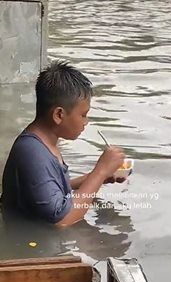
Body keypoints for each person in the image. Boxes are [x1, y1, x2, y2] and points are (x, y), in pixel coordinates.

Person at [1, 61, 126, 227]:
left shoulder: (44, 144)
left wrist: (96, 178)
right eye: (83, 115)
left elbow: (51, 189)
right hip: (35, 247)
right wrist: (100, 171)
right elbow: (62, 220)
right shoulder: (31, 152)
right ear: (59, 114)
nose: (86, 122)